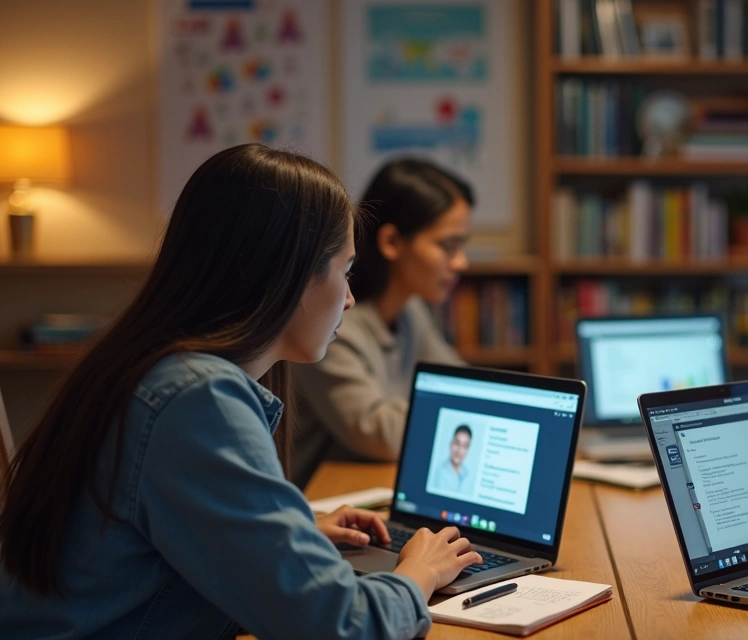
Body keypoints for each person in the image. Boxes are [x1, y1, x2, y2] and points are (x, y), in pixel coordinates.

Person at [0, 145, 482, 639]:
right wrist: (419, 573)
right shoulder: (197, 401)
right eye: (347, 271)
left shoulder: (153, 367)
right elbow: (341, 627)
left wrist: (290, 539)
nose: (351, 297)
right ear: (290, 273)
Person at [292, 158, 473, 485]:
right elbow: (379, 434)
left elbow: (461, 383)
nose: (461, 262)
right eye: (448, 246)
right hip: (319, 502)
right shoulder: (332, 326)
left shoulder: (411, 311)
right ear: (391, 242)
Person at [430, 424, 473, 495]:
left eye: (465, 446)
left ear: (468, 450)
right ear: (451, 444)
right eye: (457, 443)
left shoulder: (468, 475)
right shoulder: (438, 472)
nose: (459, 450)